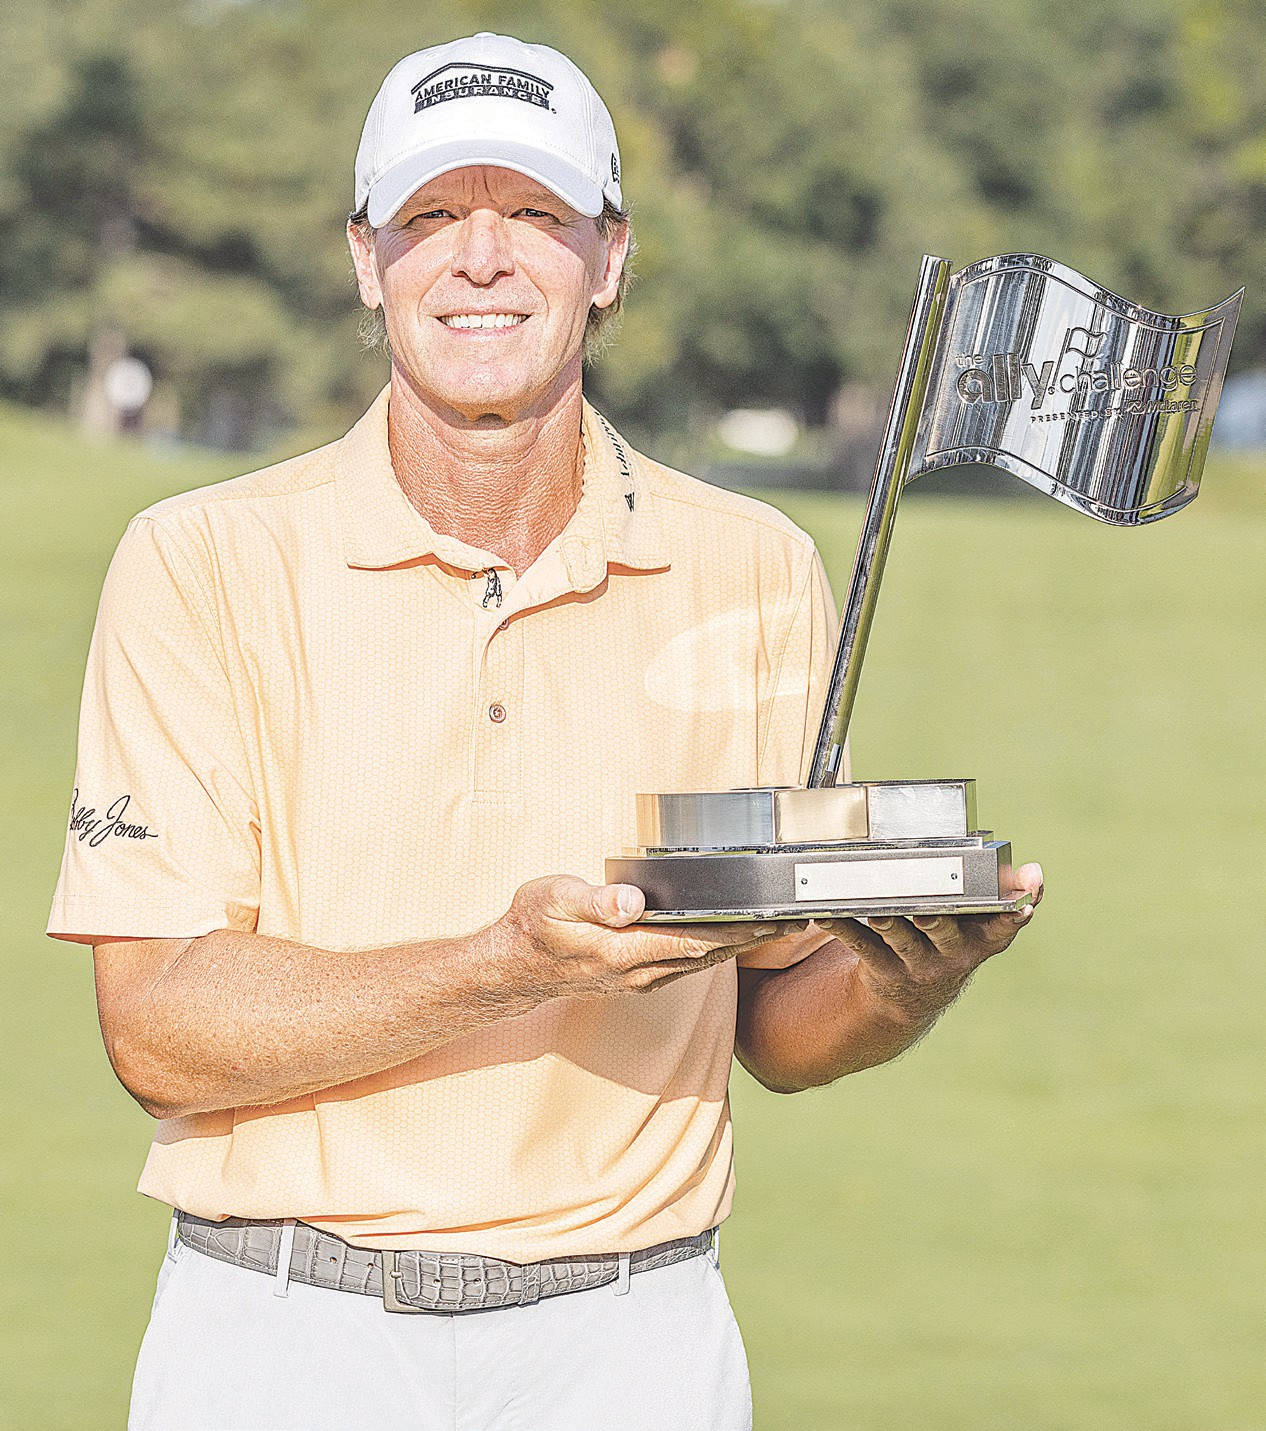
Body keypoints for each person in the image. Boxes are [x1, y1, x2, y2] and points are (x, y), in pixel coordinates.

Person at [47, 31, 1042, 1431]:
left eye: (535, 215)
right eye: (431, 216)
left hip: (629, 1341)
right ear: (364, 258)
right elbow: (160, 1029)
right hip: (276, 1336)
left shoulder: (753, 567)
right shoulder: (200, 559)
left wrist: (911, 975)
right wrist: (502, 965)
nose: (480, 259)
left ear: (610, 258)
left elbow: (779, 1019)